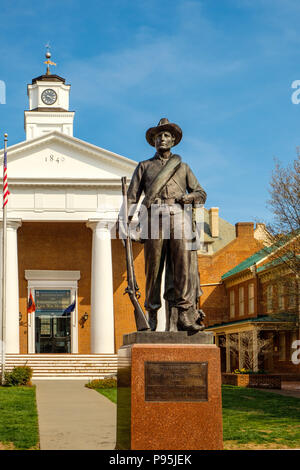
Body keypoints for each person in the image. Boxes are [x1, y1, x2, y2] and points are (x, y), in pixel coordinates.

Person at [126, 118, 207, 332]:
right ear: (153, 141)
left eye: (166, 136)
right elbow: (131, 198)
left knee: (182, 268)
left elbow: (201, 194)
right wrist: (127, 222)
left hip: (180, 216)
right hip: (153, 218)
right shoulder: (144, 167)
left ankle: (184, 315)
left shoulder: (183, 167)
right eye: (158, 136)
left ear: (173, 140)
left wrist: (187, 199)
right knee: (153, 269)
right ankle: (151, 315)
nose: (162, 139)